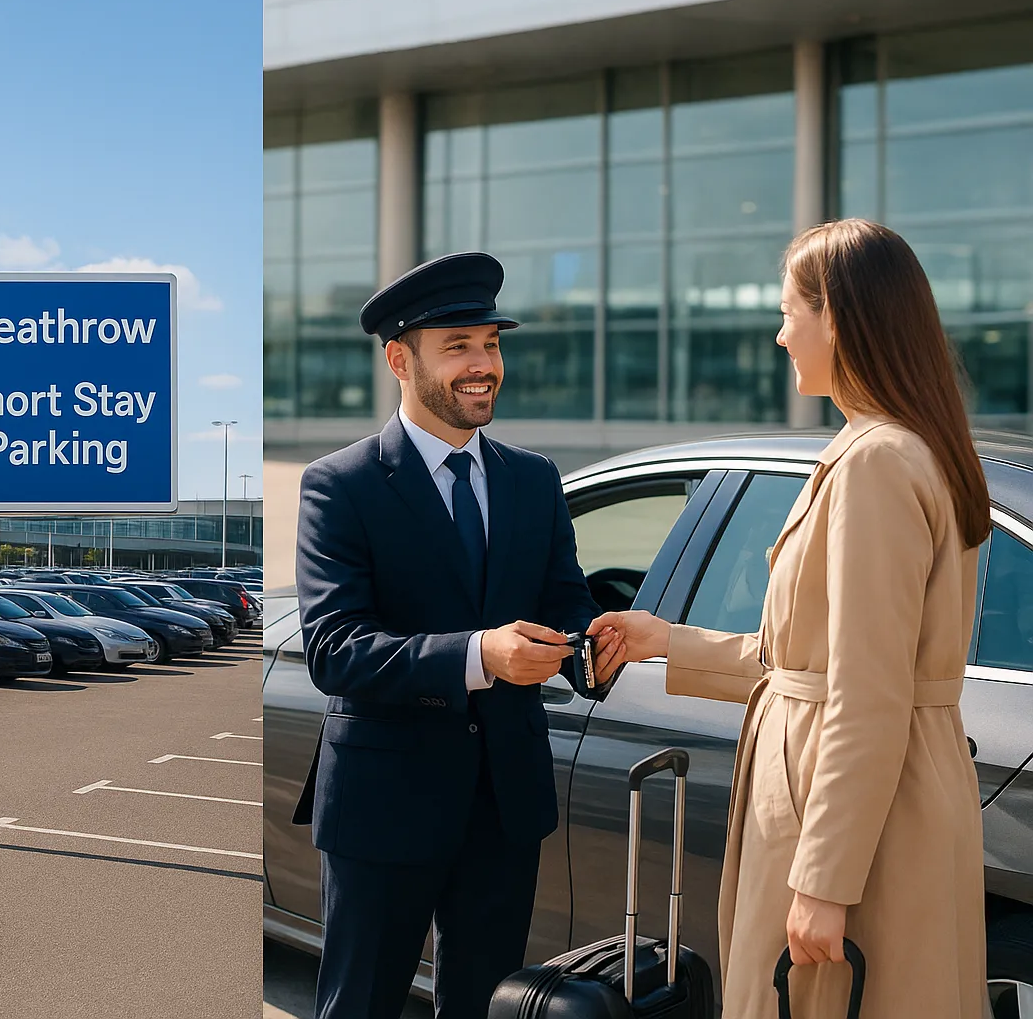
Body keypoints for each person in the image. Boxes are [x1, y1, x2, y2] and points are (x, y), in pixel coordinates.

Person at [588, 218, 991, 1018]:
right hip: (893, 797)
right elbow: (823, 659)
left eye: (788, 313)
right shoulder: (909, 447)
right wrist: (665, 640)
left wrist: (823, 882)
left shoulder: (876, 461)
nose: (779, 336)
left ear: (836, 317)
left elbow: (866, 690)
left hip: (850, 816)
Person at [293, 251, 627, 1019]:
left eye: (492, 345)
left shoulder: (533, 479)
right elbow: (336, 648)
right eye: (460, 348)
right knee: (360, 1007)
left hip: (504, 801)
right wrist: (483, 656)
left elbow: (563, 599)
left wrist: (591, 649)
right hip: (385, 804)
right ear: (399, 359)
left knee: (483, 1008)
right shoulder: (339, 485)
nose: (484, 366)